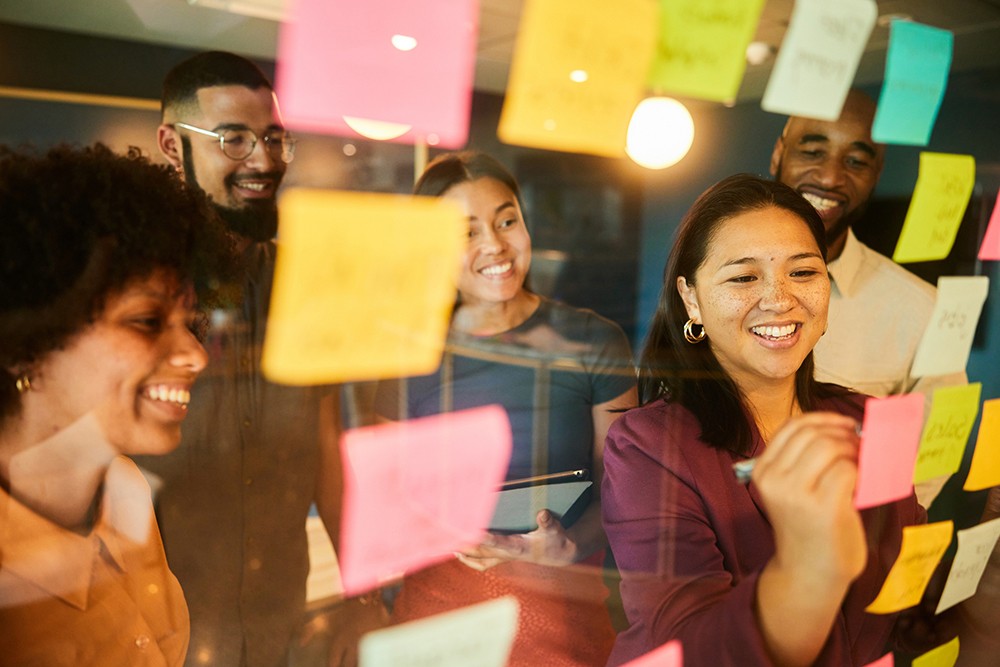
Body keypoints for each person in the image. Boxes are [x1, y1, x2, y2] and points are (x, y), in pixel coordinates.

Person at [602, 174, 927, 666]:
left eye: (803, 273)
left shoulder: (869, 422)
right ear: (692, 299)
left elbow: (911, 608)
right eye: (743, 277)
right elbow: (693, 649)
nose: (779, 299)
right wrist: (812, 561)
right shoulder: (647, 445)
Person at [139, 51, 384, 667]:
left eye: (274, 138)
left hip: (284, 623)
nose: (264, 159)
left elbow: (329, 450)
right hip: (157, 632)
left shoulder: (307, 282)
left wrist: (363, 594)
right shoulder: (133, 291)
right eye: (235, 139)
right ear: (173, 144)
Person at [375, 151, 637, 666]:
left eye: (507, 220)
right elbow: (384, 500)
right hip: (438, 624)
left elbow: (625, 493)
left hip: (563, 625)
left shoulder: (593, 340)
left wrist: (570, 543)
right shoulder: (406, 355)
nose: (494, 245)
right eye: (465, 233)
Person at [0, 143, 233, 666]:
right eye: (146, 321)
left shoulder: (123, 489)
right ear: (25, 346)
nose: (195, 355)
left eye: (189, 323)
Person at [769, 89, 967, 507]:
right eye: (813, 151)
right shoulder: (711, 282)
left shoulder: (922, 311)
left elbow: (930, 461)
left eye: (856, 161)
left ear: (876, 175)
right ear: (778, 155)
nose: (829, 178)